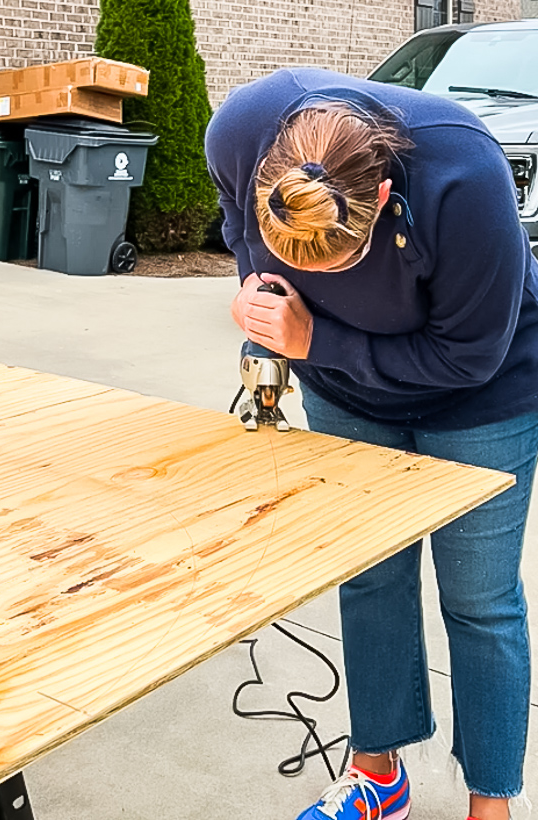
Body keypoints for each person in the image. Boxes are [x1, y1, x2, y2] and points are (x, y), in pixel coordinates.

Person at [205, 67, 538, 820]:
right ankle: (377, 774)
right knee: (369, 578)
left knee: (480, 602)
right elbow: (239, 233)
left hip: (480, 397)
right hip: (346, 395)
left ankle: (492, 803)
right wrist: (259, 302)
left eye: (337, 266)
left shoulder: (464, 172)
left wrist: (317, 334)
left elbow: (469, 356)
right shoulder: (240, 132)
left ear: (384, 198)